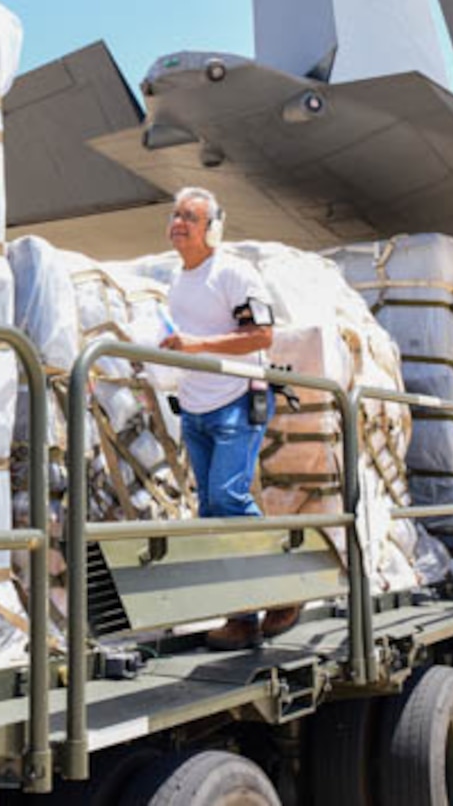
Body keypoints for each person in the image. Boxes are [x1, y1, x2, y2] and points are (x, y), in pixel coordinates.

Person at [158, 187, 293, 650]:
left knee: (229, 498)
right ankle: (243, 618)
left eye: (190, 217)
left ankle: (285, 590)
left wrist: (196, 345)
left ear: (212, 228)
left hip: (236, 400)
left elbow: (261, 335)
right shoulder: (178, 280)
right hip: (195, 408)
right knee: (213, 511)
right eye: (175, 215)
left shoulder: (233, 272)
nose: (178, 223)